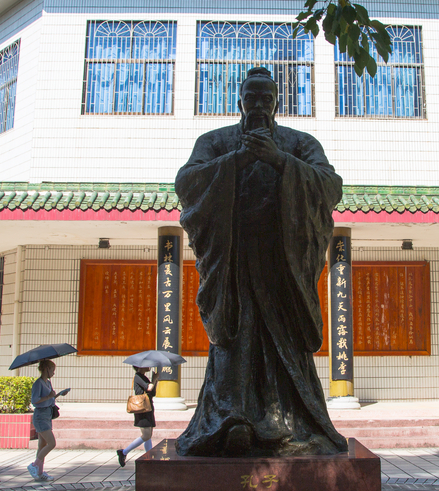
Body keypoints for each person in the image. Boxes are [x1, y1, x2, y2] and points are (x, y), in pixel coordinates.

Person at [174, 66, 347, 458]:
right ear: (239, 100)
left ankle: (294, 422)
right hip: (233, 264)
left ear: (276, 103)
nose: (257, 105)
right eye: (250, 97)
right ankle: (230, 419)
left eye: (265, 98)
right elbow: (186, 183)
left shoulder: (298, 143)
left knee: (284, 342)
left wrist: (281, 161)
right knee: (234, 340)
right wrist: (234, 162)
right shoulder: (216, 142)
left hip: (283, 266)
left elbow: (330, 186)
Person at [28, 359, 69, 481]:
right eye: (52, 370)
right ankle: (34, 465)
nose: (53, 373)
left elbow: (49, 399)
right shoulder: (38, 383)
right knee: (52, 443)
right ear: (46, 369)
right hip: (40, 416)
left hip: (47, 414)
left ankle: (39, 473)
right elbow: (35, 400)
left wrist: (58, 395)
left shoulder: (47, 383)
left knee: (42, 445)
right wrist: (49, 396)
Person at [117, 366, 157, 467]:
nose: (149, 367)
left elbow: (153, 392)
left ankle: (149, 457)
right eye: (147, 365)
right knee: (146, 435)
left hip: (148, 407)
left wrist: (154, 381)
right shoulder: (138, 376)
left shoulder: (144, 377)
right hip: (142, 409)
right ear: (140, 366)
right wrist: (155, 379)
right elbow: (148, 387)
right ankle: (124, 452)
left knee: (149, 435)